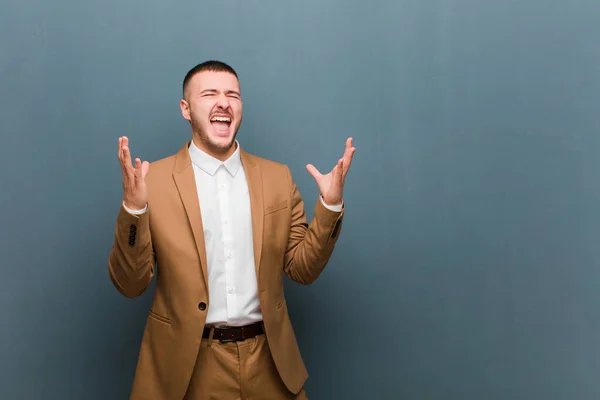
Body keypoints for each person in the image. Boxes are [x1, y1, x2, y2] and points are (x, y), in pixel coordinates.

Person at [108, 60, 355, 399]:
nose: (223, 102)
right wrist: (134, 210)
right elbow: (131, 284)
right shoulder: (154, 181)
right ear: (186, 108)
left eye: (233, 95)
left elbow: (303, 269)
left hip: (270, 363)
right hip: (187, 367)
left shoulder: (277, 178)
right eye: (209, 93)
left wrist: (329, 207)